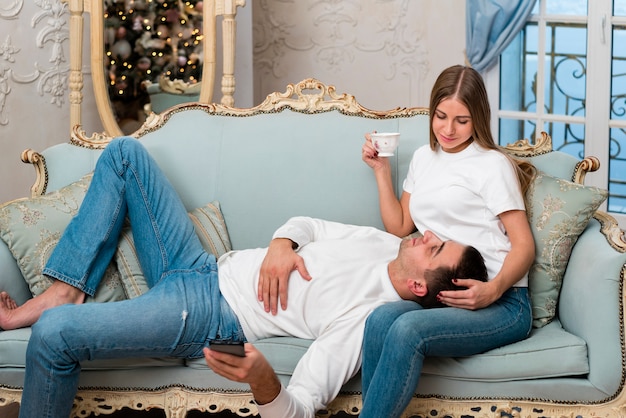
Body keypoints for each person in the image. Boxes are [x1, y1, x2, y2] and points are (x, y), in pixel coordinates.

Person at [5, 137, 488, 418]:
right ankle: (66, 288)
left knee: (53, 335)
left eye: (436, 247)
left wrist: (264, 384)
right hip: (201, 265)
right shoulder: (385, 243)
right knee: (124, 153)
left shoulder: (365, 320)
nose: (425, 235)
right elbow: (310, 225)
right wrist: (283, 244)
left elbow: (300, 407)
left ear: (421, 287)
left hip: (206, 314)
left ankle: (58, 311)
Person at [358, 65, 536, 418]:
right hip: (446, 296)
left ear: (478, 120)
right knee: (379, 320)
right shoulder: (424, 158)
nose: (448, 129)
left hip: (503, 303)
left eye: (462, 120)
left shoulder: (492, 165)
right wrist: (381, 171)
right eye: (441, 116)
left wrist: (494, 289)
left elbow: (524, 245)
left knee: (407, 330)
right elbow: (400, 225)